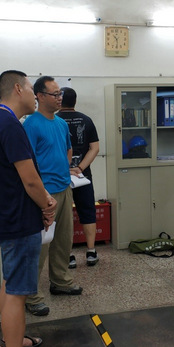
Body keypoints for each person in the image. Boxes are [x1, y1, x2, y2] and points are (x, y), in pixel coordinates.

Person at [0, 70, 55, 347]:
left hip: (6, 217)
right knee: (17, 294)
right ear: (17, 89)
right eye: (30, 87)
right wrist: (47, 204)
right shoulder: (10, 126)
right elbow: (30, 180)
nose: (35, 95)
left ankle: (8, 340)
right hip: (20, 221)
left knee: (9, 283)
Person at [23, 76, 83, 318]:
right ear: (39, 96)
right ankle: (31, 296)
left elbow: (68, 149)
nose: (60, 98)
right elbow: (27, 161)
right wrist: (42, 192)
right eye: (55, 94)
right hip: (44, 193)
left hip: (65, 188)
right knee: (40, 247)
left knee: (63, 240)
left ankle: (60, 281)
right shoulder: (31, 125)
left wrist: (65, 170)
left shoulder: (60, 123)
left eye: (60, 94)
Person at [56, 87, 101, 267]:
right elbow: (95, 148)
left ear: (59, 100)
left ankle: (68, 255)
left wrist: (66, 169)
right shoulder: (86, 120)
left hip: (60, 176)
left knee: (63, 215)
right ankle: (91, 251)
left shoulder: (53, 120)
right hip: (83, 176)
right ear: (75, 100)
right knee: (87, 211)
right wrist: (80, 167)